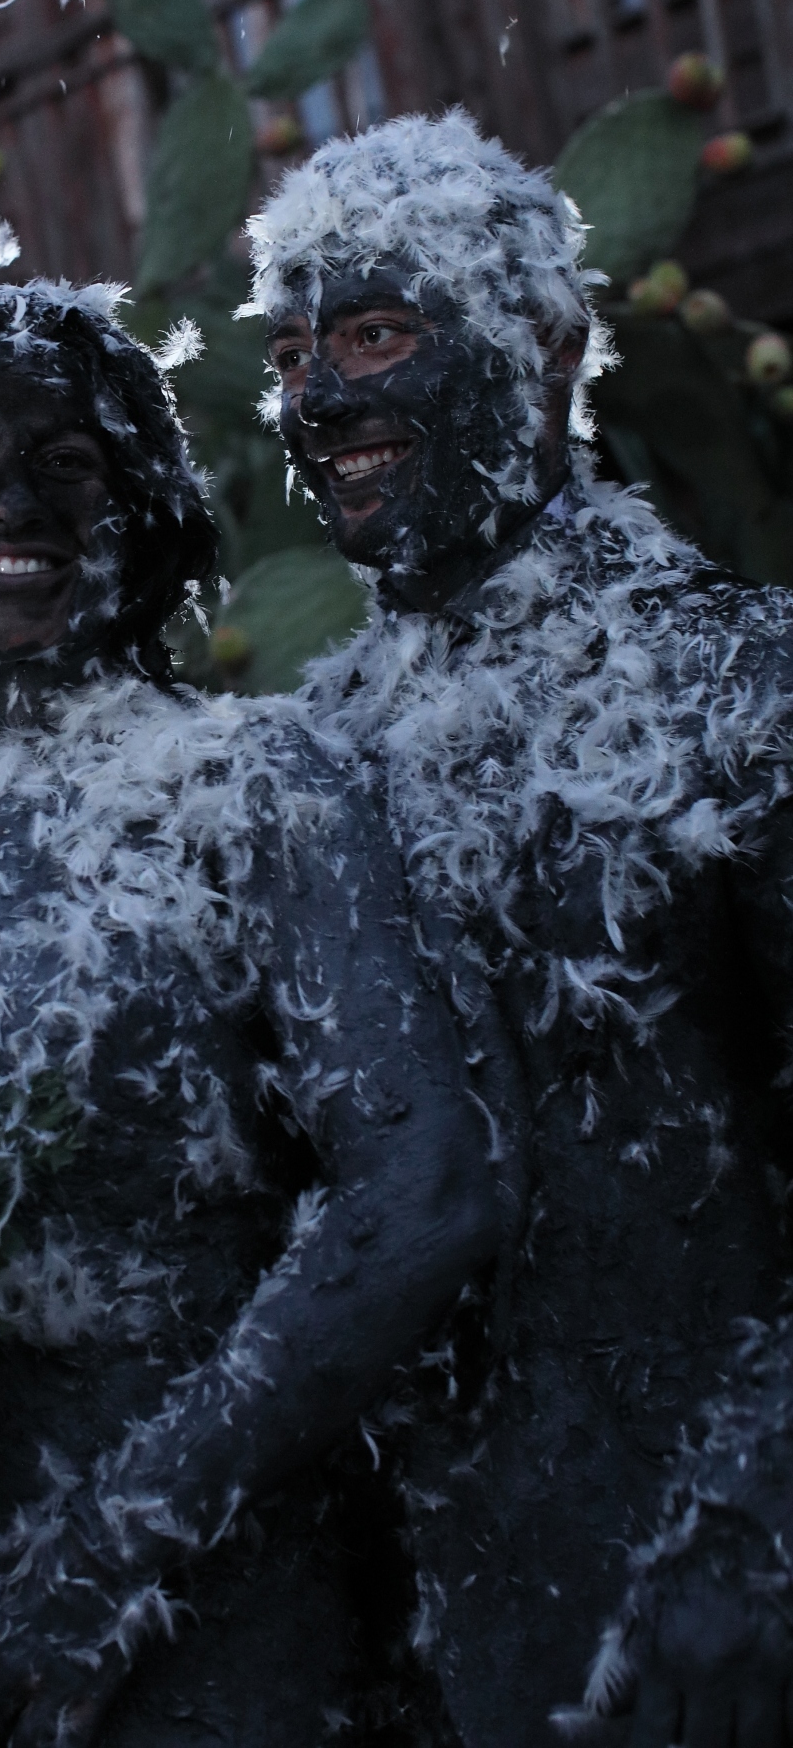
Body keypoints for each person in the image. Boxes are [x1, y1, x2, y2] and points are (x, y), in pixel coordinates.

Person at [0, 278, 500, 1747]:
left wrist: (116, 1544)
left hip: (180, 1639)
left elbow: (427, 1184)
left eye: (67, 460)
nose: (12, 497)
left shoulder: (259, 789)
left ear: (143, 502)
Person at [249, 108, 793, 1747]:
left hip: (706, 1623)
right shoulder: (303, 748)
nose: (323, 399)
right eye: (293, 350)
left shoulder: (738, 681)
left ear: (547, 351)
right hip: (414, 1638)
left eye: (377, 332)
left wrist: (760, 1542)